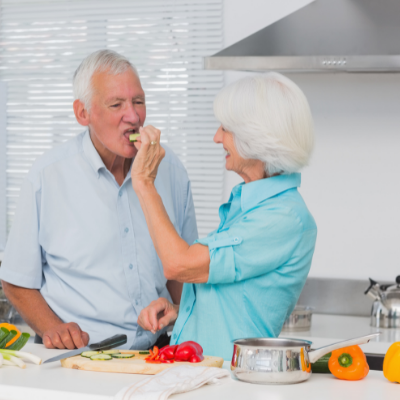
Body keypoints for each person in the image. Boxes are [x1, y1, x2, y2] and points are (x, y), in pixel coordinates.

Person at [0, 50, 198, 350]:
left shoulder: (171, 169)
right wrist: (53, 328)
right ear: (83, 114)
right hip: (79, 355)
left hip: (160, 351)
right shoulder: (47, 176)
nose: (133, 117)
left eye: (138, 102)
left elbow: (184, 273)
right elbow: (16, 279)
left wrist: (187, 320)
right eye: (116, 104)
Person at [130, 72, 317, 361]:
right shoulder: (249, 203)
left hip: (231, 385)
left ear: (258, 136)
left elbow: (178, 265)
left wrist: (143, 182)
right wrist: (182, 312)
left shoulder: (283, 218)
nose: (217, 137)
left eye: (226, 128)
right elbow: (240, 301)